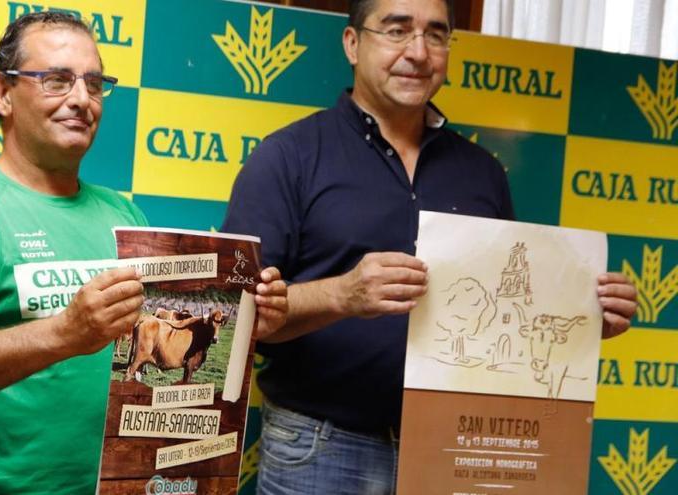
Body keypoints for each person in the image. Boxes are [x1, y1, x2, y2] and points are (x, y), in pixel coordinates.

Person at [221, 0, 638, 494]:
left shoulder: (482, 172)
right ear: (353, 44)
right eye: (397, 30)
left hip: (459, 448)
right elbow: (233, 313)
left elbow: (510, 320)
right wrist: (342, 294)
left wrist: (585, 320)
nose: (418, 52)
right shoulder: (288, 157)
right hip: (321, 447)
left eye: (435, 35)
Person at [0, 12, 287, 494]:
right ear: (2, 92)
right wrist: (66, 333)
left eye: (95, 83)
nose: (82, 100)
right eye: (57, 80)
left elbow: (168, 340)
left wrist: (250, 318)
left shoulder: (124, 217)